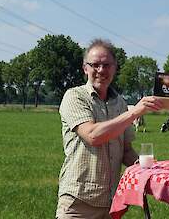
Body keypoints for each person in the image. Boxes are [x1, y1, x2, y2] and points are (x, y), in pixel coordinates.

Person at [56, 39, 162, 219]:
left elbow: (126, 150)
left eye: (106, 65)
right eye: (95, 65)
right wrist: (134, 112)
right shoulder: (74, 97)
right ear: (85, 68)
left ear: (114, 68)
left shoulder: (119, 103)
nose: (101, 70)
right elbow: (93, 135)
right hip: (78, 202)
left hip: (111, 201)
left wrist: (151, 171)